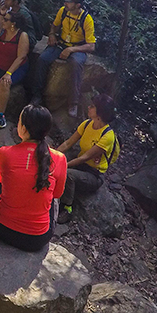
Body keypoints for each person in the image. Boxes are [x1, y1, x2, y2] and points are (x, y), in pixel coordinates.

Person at [0, 105, 67, 251]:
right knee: (51, 197)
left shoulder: (4, 153)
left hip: (1, 229)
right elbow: (57, 194)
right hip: (37, 240)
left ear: (22, 128)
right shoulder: (60, 159)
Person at [30, 0, 95, 118]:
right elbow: (54, 25)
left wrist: (71, 49)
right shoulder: (63, 11)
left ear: (78, 5)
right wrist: (52, 34)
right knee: (43, 59)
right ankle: (37, 95)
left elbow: (91, 46)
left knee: (76, 64)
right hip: (60, 44)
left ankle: (73, 103)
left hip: (77, 48)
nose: (65, 4)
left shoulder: (87, 20)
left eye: (69, 1)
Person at [55, 94, 117, 223]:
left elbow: (85, 157)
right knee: (61, 160)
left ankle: (67, 208)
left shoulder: (108, 136)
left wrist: (63, 165)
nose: (89, 107)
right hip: (81, 164)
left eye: (93, 106)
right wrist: (53, 155)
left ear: (100, 112)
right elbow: (68, 143)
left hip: (94, 174)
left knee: (68, 174)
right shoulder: (87, 124)